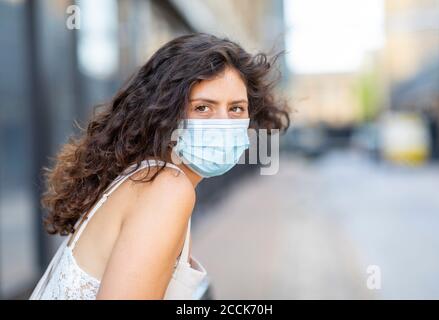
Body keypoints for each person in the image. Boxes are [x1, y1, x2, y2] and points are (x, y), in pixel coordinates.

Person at [29, 32, 290, 300]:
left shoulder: (144, 177)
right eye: (202, 108)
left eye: (236, 109)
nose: (223, 122)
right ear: (165, 112)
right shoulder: (167, 189)